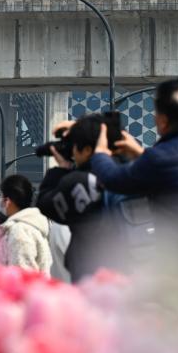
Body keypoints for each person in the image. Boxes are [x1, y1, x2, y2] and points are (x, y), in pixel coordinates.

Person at [90, 78, 178, 242]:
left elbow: (113, 179)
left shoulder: (157, 159)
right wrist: (142, 154)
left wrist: (100, 154)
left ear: (163, 121)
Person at [37, 114, 113, 282]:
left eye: (75, 146)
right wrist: (87, 130)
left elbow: (45, 204)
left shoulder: (79, 181)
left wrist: (61, 169)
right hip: (123, 267)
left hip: (88, 270)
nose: (72, 152)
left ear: (87, 150)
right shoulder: (125, 171)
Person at [0, 175, 53, 276]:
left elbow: (22, 274)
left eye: (2, 197)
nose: (1, 202)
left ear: (8, 201)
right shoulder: (31, 226)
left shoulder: (19, 231)